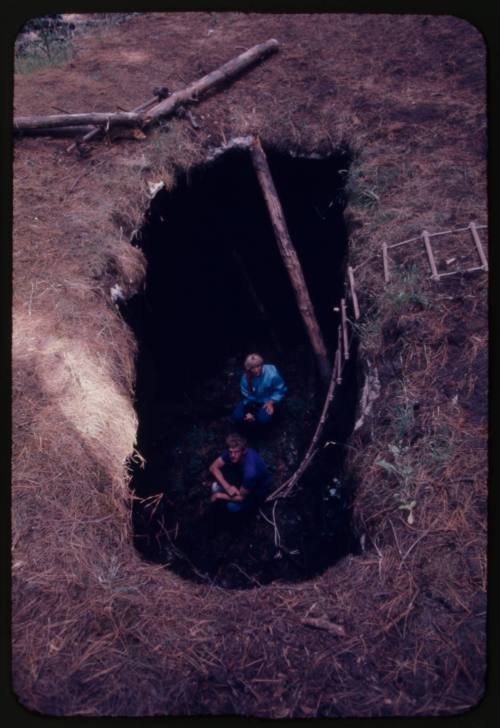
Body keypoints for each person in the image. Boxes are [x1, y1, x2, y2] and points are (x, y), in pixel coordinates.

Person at [208, 433, 272, 513]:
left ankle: (248, 512)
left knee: (232, 507)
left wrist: (219, 496)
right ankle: (234, 488)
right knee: (222, 480)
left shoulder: (250, 473)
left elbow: (241, 497)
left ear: (243, 451)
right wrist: (228, 487)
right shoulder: (233, 450)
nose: (232, 455)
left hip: (258, 489)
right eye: (230, 452)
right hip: (243, 479)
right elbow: (213, 467)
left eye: (236, 452)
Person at [232, 353, 287, 426]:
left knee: (263, 419)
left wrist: (272, 401)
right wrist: (248, 411)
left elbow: (280, 389)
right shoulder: (245, 378)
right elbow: (247, 395)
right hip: (251, 400)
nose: (256, 370)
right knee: (237, 416)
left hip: (267, 399)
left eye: (258, 366)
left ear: (262, 364)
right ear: (248, 368)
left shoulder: (272, 373)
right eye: (252, 367)